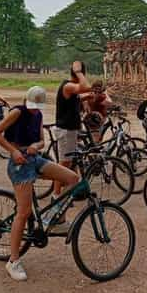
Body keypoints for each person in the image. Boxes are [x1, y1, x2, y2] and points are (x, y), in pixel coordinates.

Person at [0, 86, 89, 281]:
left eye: (38, 107)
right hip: (19, 165)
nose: (35, 110)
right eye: (33, 106)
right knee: (24, 212)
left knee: (73, 179)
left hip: (35, 159)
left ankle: (57, 219)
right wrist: (13, 151)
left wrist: (35, 146)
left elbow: (42, 141)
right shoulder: (18, 112)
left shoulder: (38, 116)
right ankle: (13, 261)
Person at [54, 61, 92, 226]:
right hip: (66, 131)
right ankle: (56, 195)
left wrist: (85, 97)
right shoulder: (69, 85)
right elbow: (86, 86)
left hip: (71, 130)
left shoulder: (72, 89)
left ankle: (69, 191)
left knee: (70, 163)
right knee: (64, 164)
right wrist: (79, 72)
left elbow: (80, 93)